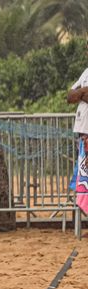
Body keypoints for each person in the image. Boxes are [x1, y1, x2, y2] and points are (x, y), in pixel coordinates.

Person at [67, 53, 88, 215]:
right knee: (84, 179)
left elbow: (77, 95)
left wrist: (80, 93)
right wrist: (83, 91)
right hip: (82, 134)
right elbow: (70, 96)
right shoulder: (86, 72)